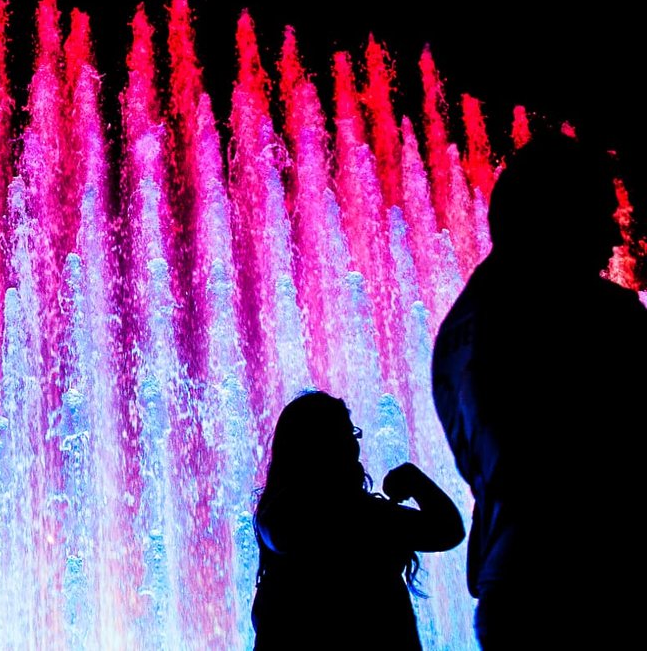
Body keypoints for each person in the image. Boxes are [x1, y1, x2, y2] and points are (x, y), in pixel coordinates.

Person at [433, 133, 647, 646]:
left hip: (512, 588)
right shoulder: (597, 316)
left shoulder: (457, 328)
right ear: (555, 216)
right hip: (590, 589)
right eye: (600, 213)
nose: (615, 237)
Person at [252, 391, 463, 649]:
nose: (354, 444)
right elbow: (448, 529)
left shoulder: (277, 516)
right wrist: (414, 480)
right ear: (325, 445)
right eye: (346, 434)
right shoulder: (360, 518)